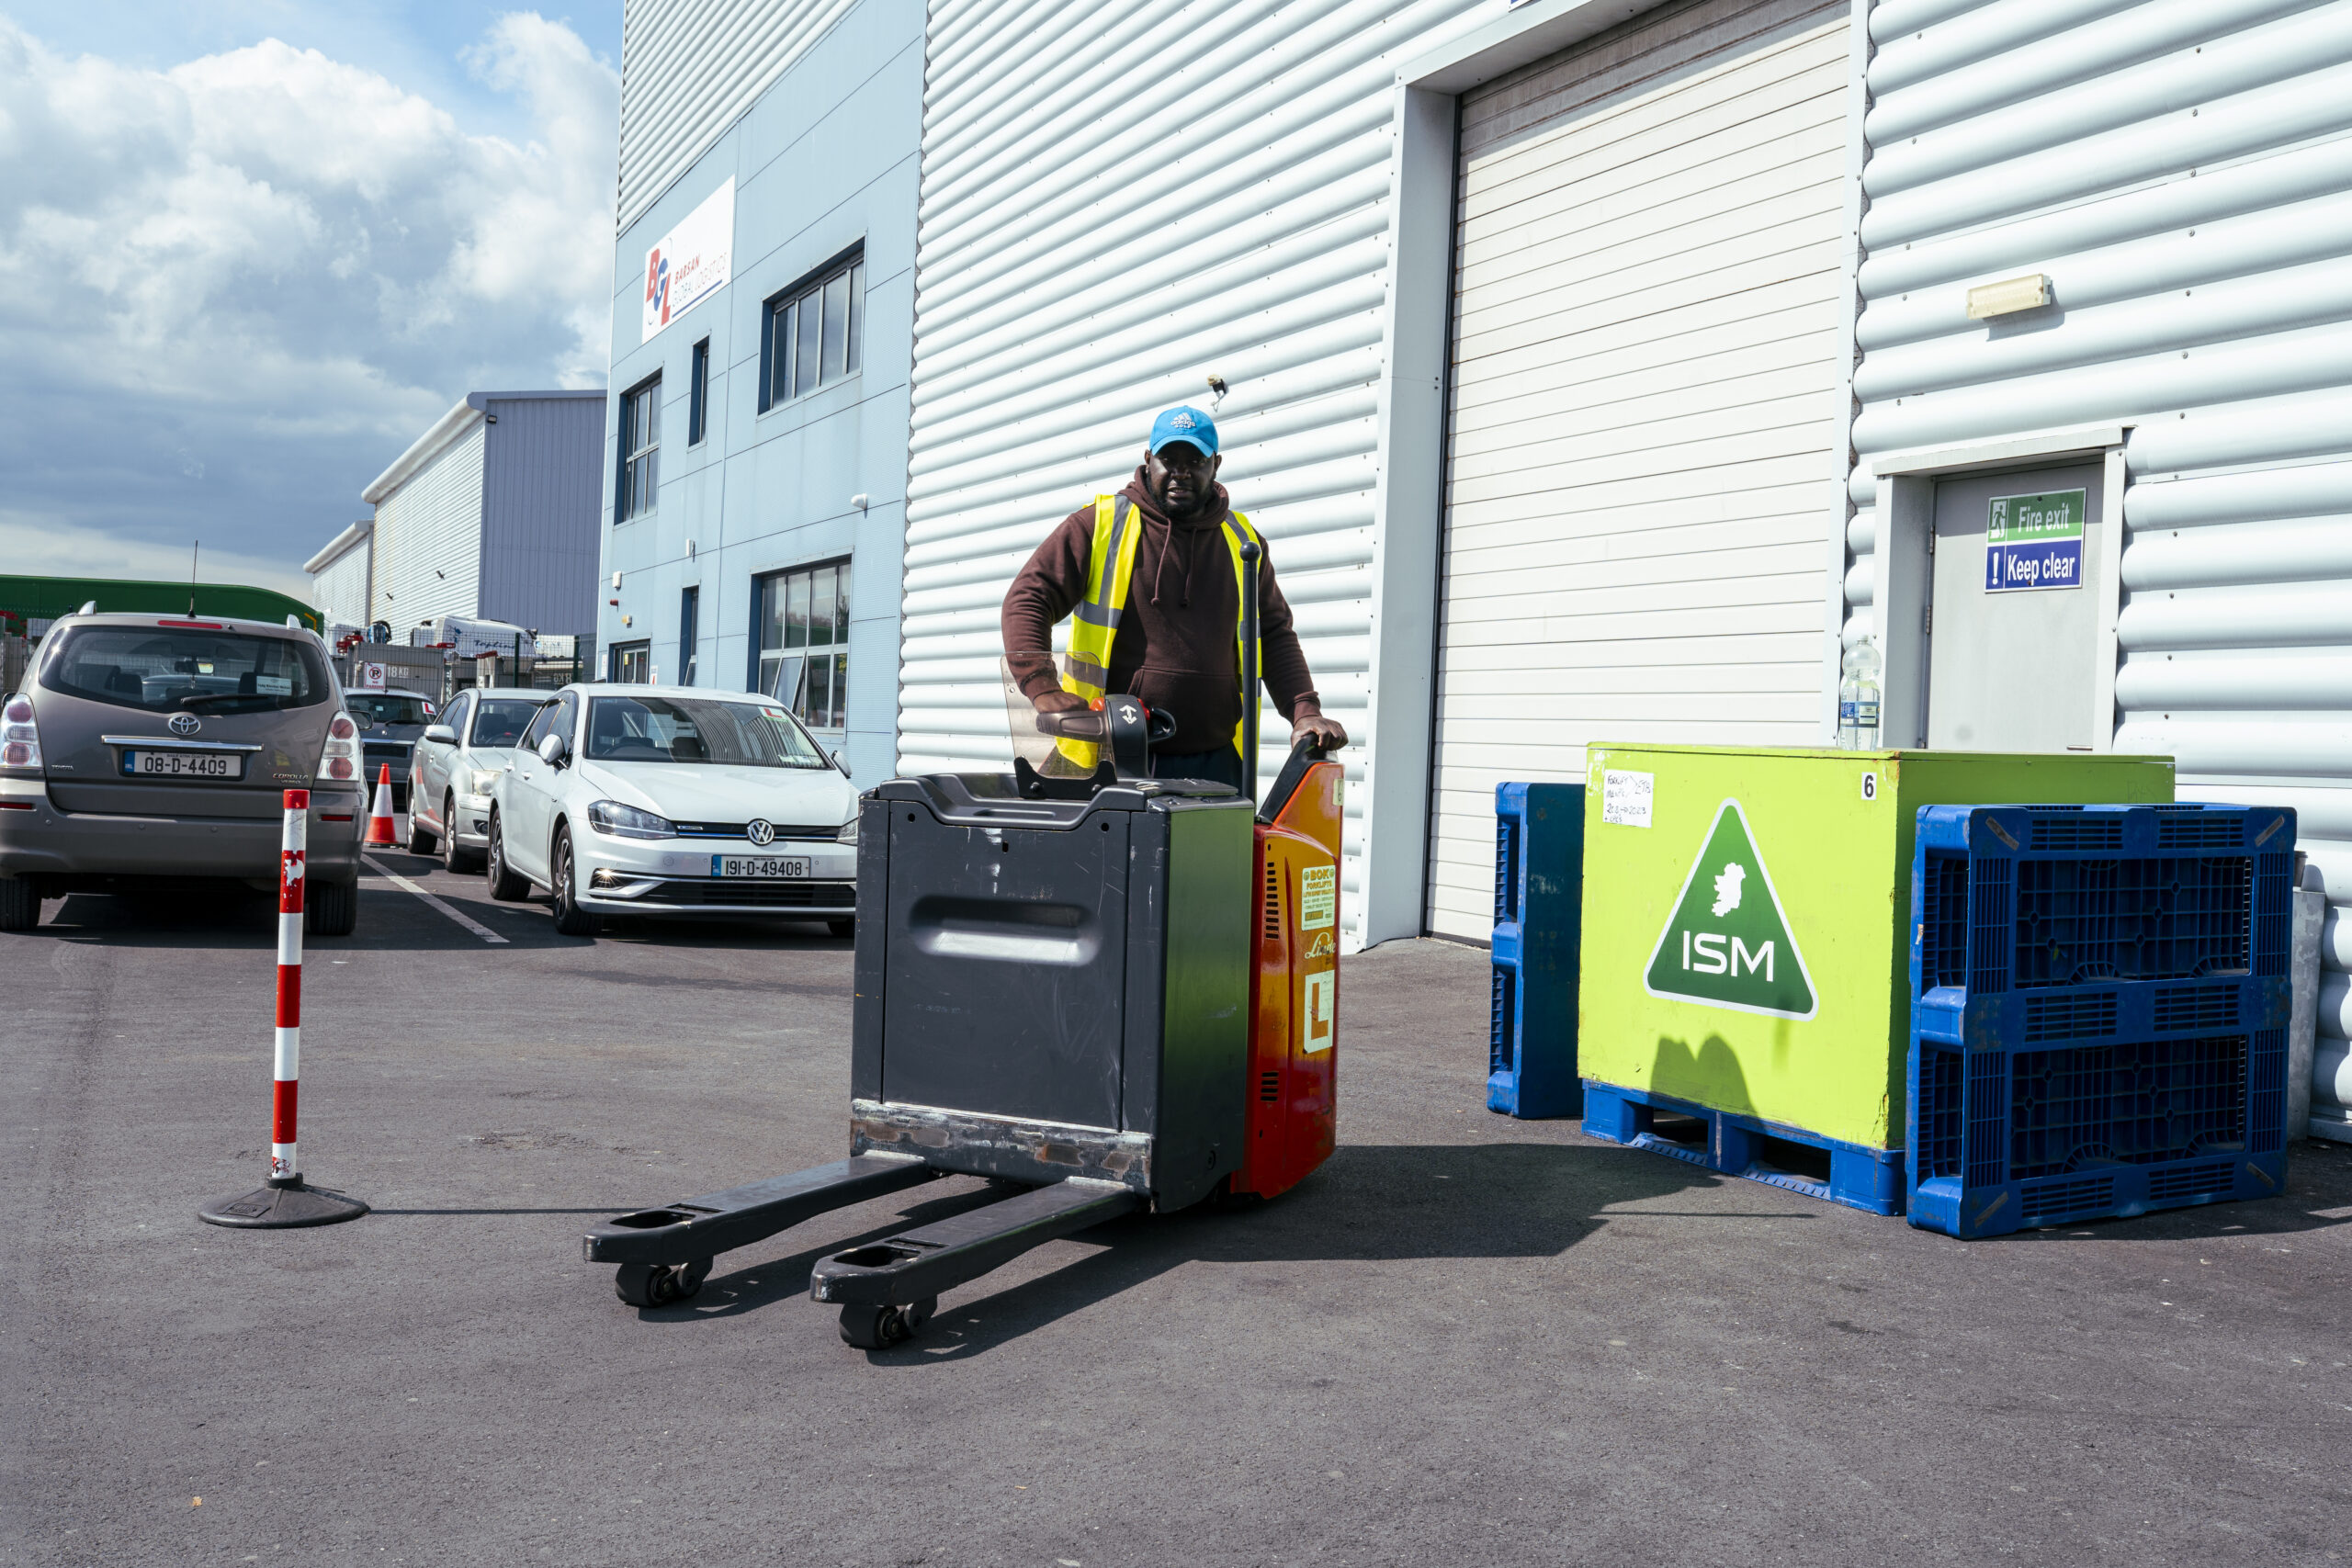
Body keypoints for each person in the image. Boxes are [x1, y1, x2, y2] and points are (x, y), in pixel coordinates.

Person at [1001, 405, 1348, 790]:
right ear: (1148, 460)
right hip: (1110, 756)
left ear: (1215, 465)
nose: (1180, 472)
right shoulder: (1100, 525)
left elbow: (1275, 634)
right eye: (1169, 459)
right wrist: (1043, 687)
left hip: (1216, 761)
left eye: (1195, 461)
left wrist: (1304, 711)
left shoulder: (1243, 541)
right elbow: (1028, 599)